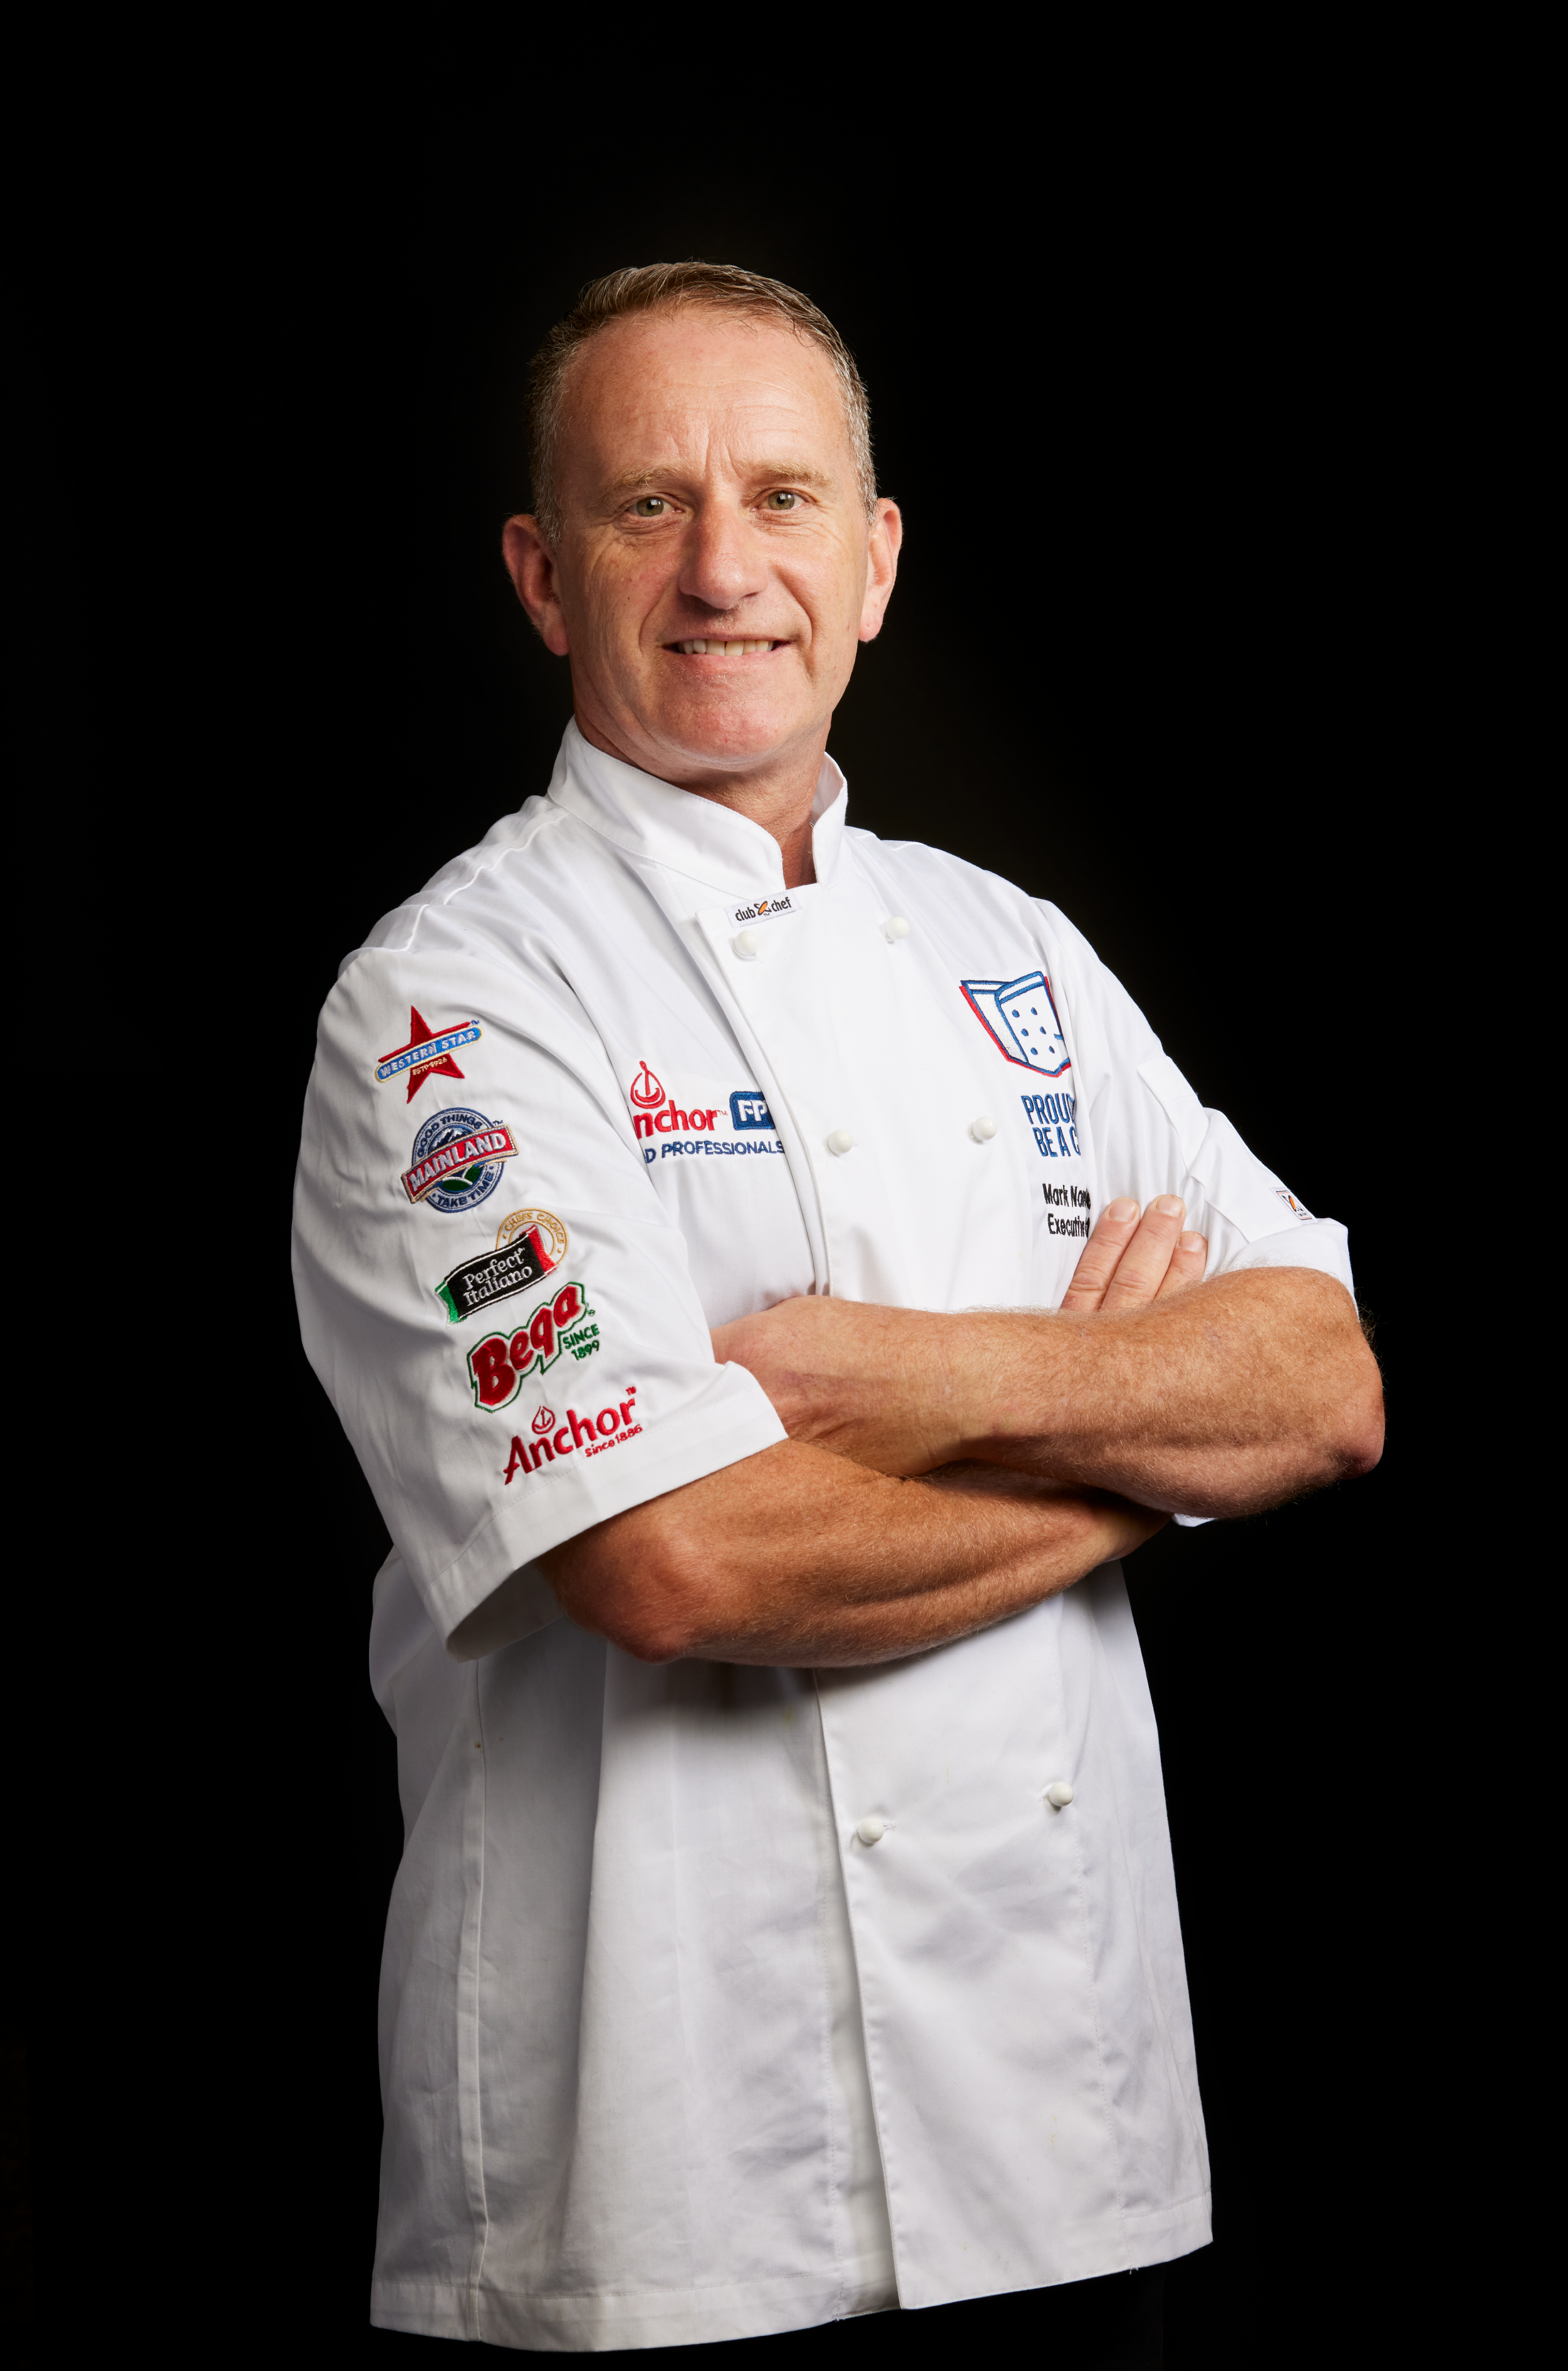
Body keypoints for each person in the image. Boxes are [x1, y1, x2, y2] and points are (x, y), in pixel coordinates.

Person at [292, 262, 1383, 2358]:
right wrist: (1136, 1453)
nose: (725, 570)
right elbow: (672, 1557)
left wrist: (895, 1378)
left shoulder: (1015, 954)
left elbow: (1321, 1382)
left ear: (873, 564)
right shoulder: (451, 1000)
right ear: (540, 575)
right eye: (648, 506)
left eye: (782, 498)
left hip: (1065, 2134)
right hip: (656, 2170)